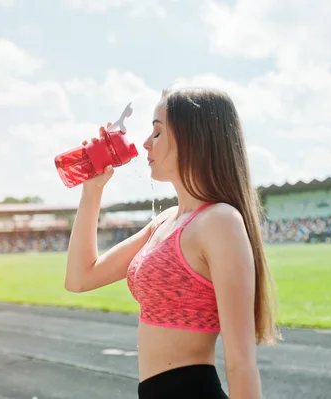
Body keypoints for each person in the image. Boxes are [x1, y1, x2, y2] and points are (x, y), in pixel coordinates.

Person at [64, 87, 279, 399]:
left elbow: (240, 363)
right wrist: (92, 189)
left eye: (157, 133)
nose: (145, 144)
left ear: (193, 139)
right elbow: (79, 278)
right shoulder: (164, 223)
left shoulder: (220, 222)